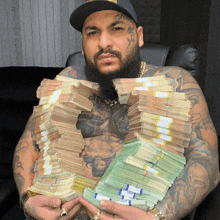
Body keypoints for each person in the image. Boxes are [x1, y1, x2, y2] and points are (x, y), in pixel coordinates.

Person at [13, 0, 219, 220]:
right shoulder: (65, 80)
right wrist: (27, 199)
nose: (104, 42)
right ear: (83, 44)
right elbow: (30, 143)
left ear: (139, 36)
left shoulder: (175, 82)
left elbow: (205, 157)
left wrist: (158, 216)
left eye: (117, 29)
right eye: (92, 33)